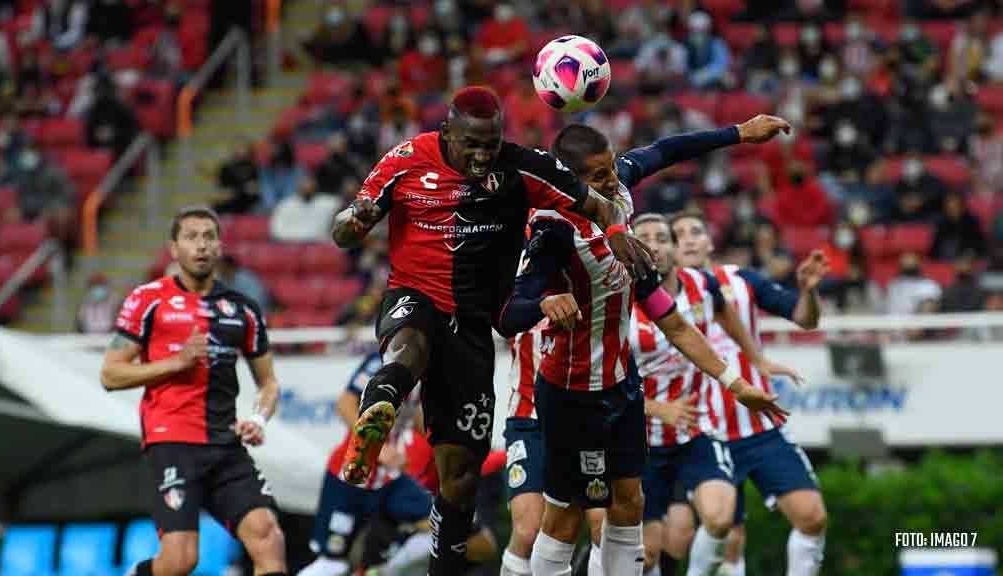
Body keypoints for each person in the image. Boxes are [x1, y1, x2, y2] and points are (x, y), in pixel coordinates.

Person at [329, 86, 653, 575]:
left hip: (477, 327)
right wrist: (354, 223)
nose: (482, 155)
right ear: (446, 134)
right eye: (470, 145)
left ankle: (446, 565)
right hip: (414, 296)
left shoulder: (522, 166)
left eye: (490, 144)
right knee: (410, 348)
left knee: (458, 477)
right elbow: (345, 227)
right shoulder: (405, 160)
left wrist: (617, 233)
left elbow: (599, 203)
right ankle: (384, 400)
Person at [499, 116, 795, 576]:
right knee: (563, 516)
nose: (612, 180)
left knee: (628, 502)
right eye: (597, 176)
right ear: (570, 181)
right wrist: (544, 300)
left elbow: (666, 149)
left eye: (611, 168)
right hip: (569, 392)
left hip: (622, 385)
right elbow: (508, 314)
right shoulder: (552, 231)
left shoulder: (617, 197)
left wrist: (739, 132)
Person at [102, 206, 287, 576]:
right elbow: (110, 374)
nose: (201, 245)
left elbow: (268, 383)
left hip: (225, 443)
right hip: (172, 441)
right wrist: (176, 363)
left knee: (268, 535)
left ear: (219, 247)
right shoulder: (147, 300)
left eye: (209, 236)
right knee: (181, 560)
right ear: (174, 248)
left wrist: (257, 418)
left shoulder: (243, 310)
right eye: (191, 237)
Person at [627, 213, 801, 576]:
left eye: (663, 237)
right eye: (644, 238)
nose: (655, 245)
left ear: (674, 249)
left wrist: (756, 358)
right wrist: (657, 407)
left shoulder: (702, 285)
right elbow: (602, 379)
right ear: (630, 247)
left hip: (696, 431)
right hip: (637, 438)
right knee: (650, 551)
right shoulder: (618, 302)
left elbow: (727, 314)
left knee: (721, 518)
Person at [671, 210, 830, 576]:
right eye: (679, 235)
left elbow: (805, 318)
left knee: (812, 516)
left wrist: (808, 291)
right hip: (703, 432)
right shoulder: (660, 298)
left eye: (697, 231)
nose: (690, 239)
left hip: (759, 427)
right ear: (667, 248)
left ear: (711, 242)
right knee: (728, 540)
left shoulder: (740, 280)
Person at [298, 352, 434, 576]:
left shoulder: (426, 371)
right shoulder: (380, 362)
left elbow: (420, 419)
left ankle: (378, 571)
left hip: (389, 480)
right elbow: (344, 404)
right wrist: (376, 447)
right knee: (333, 564)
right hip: (352, 475)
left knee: (442, 527)